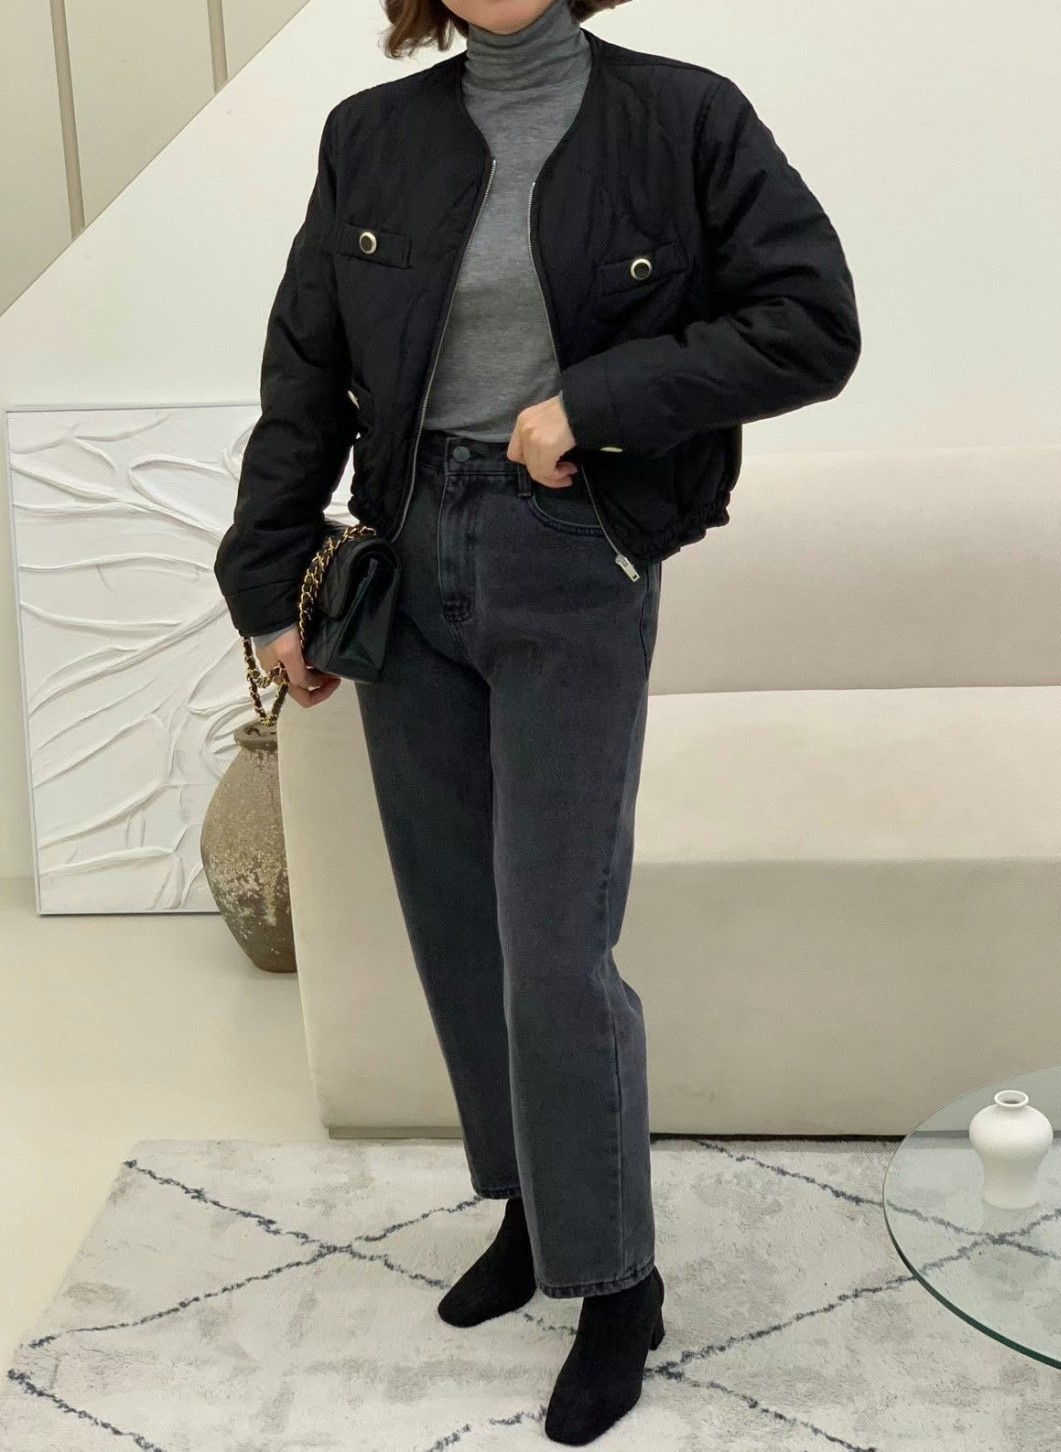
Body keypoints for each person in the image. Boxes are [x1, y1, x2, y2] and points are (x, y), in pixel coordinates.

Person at [216, 0, 860, 1440]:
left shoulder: (682, 117)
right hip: (407, 564)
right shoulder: (373, 136)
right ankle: (534, 1214)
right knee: (460, 929)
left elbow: (812, 325)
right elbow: (304, 369)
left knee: (555, 947)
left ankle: (618, 1280)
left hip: (570, 556)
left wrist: (593, 405)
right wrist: (269, 581)